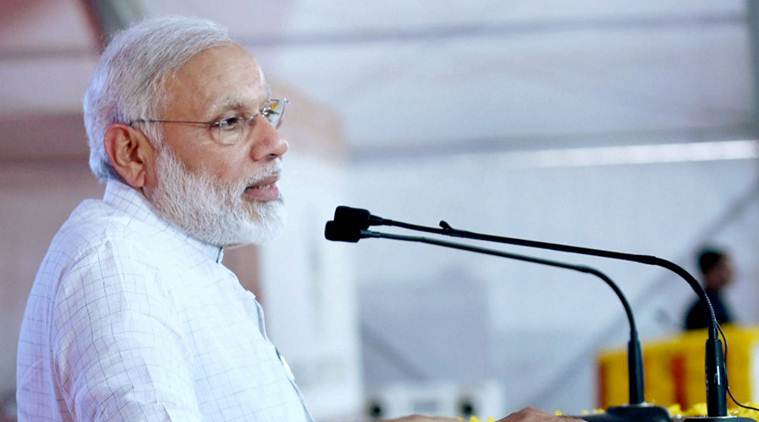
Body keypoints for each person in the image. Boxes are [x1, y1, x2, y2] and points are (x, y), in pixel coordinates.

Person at [15, 16, 579, 422]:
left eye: (266, 112)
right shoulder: (118, 271)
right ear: (133, 153)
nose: (276, 143)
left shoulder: (175, 258)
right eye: (230, 122)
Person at [684, 247, 736, 331]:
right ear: (711, 271)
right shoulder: (706, 307)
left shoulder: (713, 300)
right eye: (724, 267)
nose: (730, 271)